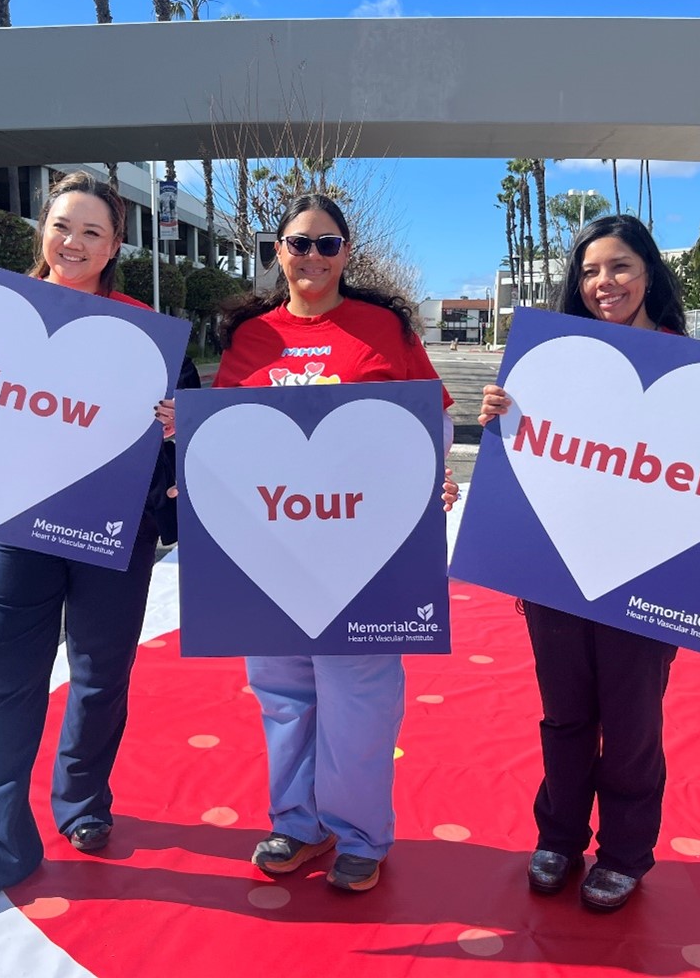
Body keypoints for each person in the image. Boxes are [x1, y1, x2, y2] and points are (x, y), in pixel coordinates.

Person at [0, 170, 196, 908]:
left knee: (100, 675)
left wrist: (179, 425)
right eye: (63, 225)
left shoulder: (149, 334)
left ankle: (82, 802)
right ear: (43, 230)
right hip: (12, 529)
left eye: (93, 231)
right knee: (5, 682)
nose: (74, 242)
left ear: (115, 245)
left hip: (115, 533)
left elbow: (190, 434)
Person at [210, 192, 458, 892]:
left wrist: (429, 479)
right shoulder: (251, 336)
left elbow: (432, 423)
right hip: (272, 547)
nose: (312, 256)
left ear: (346, 253)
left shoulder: (383, 329)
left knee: (357, 699)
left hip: (364, 552)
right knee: (284, 693)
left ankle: (359, 836)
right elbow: (222, 437)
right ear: (279, 251)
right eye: (299, 243)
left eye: (326, 244)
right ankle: (297, 824)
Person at [478, 215, 688, 912]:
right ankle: (559, 837)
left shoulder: (691, 367)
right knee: (565, 715)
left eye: (620, 266)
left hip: (647, 576)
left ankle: (625, 852)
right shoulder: (553, 364)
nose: (605, 283)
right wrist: (501, 415)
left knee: (631, 723)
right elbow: (529, 456)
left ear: (649, 271)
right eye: (591, 270)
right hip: (557, 569)